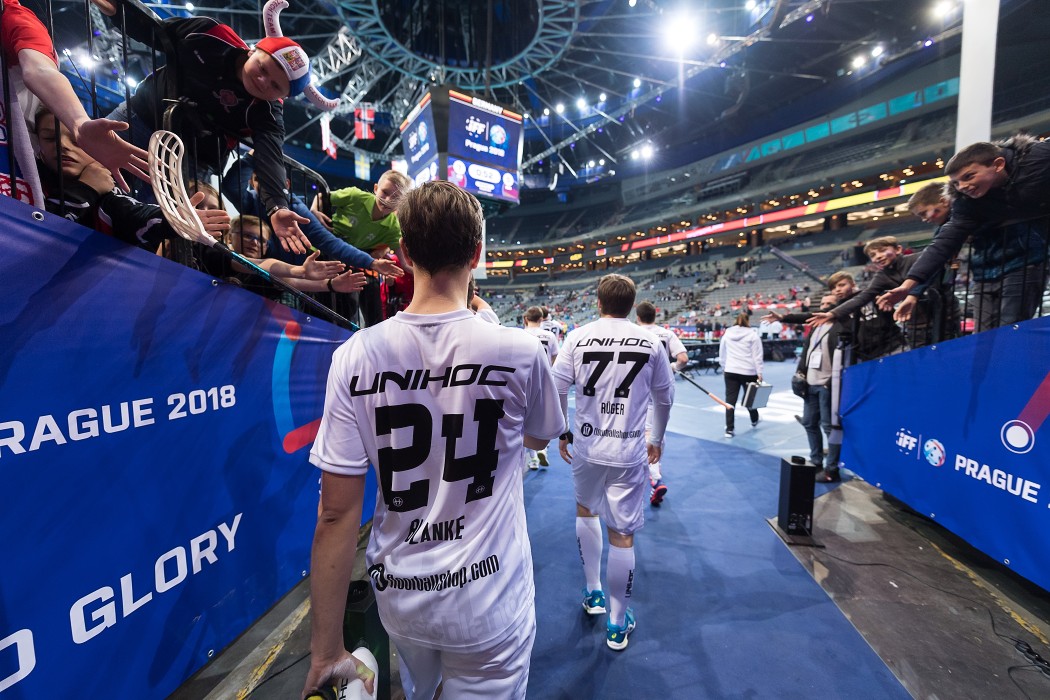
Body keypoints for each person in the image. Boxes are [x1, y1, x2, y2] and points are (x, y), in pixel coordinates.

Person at [303, 181, 564, 700]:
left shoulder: (354, 356)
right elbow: (537, 436)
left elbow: (335, 515)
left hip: (403, 594)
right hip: (489, 597)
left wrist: (326, 649)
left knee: (423, 689)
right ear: (476, 253)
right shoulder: (519, 350)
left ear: (402, 253)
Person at [91, 0, 337, 253]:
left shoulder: (269, 113)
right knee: (90, 177)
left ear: (282, 96)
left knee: (152, 224)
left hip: (190, 160)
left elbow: (270, 157)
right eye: (263, 68)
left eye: (275, 86)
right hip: (139, 117)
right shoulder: (212, 35)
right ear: (254, 51)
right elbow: (157, 31)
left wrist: (277, 206)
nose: (263, 82)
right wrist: (118, 9)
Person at [552, 274, 675, 651]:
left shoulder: (577, 336)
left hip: (587, 446)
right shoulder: (652, 341)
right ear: (631, 303)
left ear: (599, 302)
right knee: (622, 533)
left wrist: (563, 431)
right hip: (627, 450)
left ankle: (593, 594)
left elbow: (557, 386)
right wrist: (657, 438)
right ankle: (618, 625)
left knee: (586, 510)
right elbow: (665, 397)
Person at [878, 136, 1050, 327]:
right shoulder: (966, 203)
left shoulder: (1039, 156)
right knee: (985, 336)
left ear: (998, 164)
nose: (962, 187)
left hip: (1025, 264)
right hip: (988, 274)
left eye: (968, 177)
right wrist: (908, 287)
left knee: (1011, 330)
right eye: (957, 182)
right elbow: (942, 245)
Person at [1, 0, 149, 202]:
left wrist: (78, 123)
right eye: (51, 138)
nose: (63, 146)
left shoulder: (13, 17)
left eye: (70, 140)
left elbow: (39, 70)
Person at [34, 106, 228, 249]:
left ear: (95, 145)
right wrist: (87, 187)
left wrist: (173, 219)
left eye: (76, 140)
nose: (62, 145)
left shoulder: (107, 189)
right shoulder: (25, 178)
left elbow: (135, 214)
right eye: (50, 138)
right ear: (37, 143)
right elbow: (35, 235)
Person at [221, 152, 404, 278]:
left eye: (273, 180)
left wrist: (371, 263)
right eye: (260, 179)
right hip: (250, 272)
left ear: (286, 184)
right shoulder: (251, 201)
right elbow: (230, 188)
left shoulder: (294, 207)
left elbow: (329, 242)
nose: (266, 185)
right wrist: (253, 157)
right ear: (252, 183)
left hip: (291, 279)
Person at [807, 234, 959, 348]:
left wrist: (913, 294)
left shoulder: (918, 259)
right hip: (916, 327)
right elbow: (862, 297)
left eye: (882, 251)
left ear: (898, 249)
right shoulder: (882, 276)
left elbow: (938, 273)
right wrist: (832, 313)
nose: (877, 257)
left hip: (946, 318)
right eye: (873, 255)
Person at [312, 170, 414, 326]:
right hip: (323, 253)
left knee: (348, 309)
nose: (388, 200)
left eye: (396, 198)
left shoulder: (393, 228)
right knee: (316, 305)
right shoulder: (354, 195)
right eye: (385, 192)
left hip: (350, 264)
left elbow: (406, 264)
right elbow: (322, 197)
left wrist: (430, 271)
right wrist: (314, 211)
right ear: (375, 188)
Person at [634, 301, 687, 506]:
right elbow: (683, 358)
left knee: (647, 431)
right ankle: (655, 469)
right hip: (665, 386)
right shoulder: (666, 333)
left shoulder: (635, 333)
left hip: (642, 385)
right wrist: (672, 367)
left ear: (638, 317)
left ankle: (655, 477)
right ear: (655, 315)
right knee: (658, 428)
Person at [522, 305, 560, 470]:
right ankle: (543, 448)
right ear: (541, 319)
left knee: (525, 420)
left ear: (525, 319)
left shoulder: (521, 333)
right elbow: (554, 358)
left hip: (525, 379)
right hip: (545, 378)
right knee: (542, 416)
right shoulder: (550, 335)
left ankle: (533, 458)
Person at [718, 312, 763, 439]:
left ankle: (729, 429)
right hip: (748, 371)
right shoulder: (753, 335)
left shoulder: (727, 334)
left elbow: (722, 352)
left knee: (730, 401)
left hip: (731, 370)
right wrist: (759, 372)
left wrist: (724, 367)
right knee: (750, 398)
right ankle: (754, 419)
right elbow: (757, 356)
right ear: (748, 321)